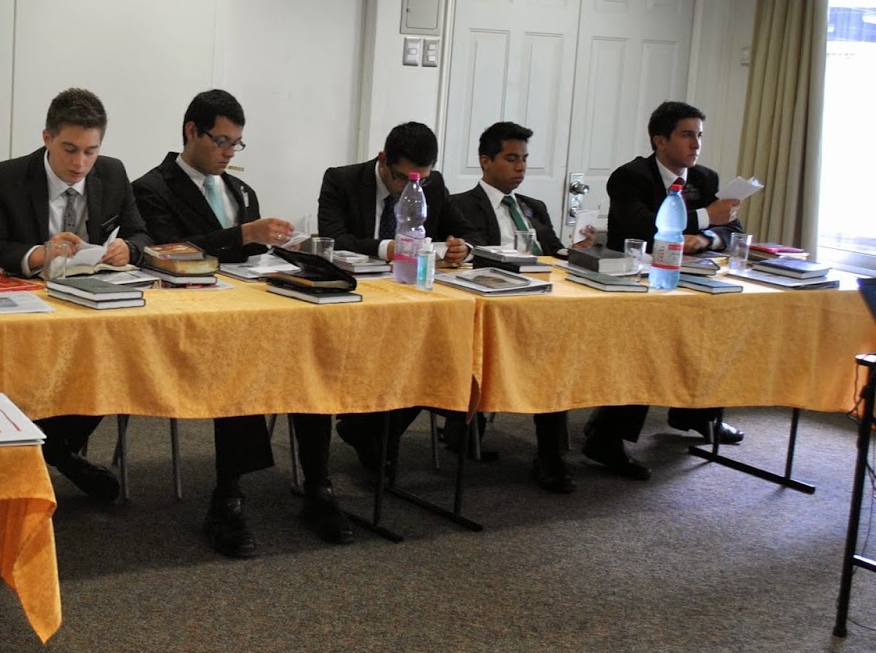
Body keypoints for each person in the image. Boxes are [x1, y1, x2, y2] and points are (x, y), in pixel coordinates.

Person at [132, 90, 350, 554]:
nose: (230, 152)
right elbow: (167, 252)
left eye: (236, 144)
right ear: (192, 132)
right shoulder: (152, 187)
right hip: (196, 321)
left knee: (310, 356)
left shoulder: (240, 190)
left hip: (253, 314)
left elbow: (252, 257)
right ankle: (227, 497)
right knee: (240, 359)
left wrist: (285, 247)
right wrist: (244, 233)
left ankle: (319, 485)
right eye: (222, 141)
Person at [0, 88, 152, 500]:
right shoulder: (6, 176)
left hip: (93, 301)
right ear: (47, 138)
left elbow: (141, 232)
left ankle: (47, 446)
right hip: (28, 304)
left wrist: (130, 249)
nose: (80, 163)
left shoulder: (113, 173)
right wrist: (39, 254)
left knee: (121, 353)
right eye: (70, 149)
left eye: (90, 151)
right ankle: (57, 451)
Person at [584, 101, 746, 476]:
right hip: (633, 281)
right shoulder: (630, 177)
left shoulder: (704, 178)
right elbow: (642, 226)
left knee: (714, 328)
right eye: (687, 135)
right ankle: (606, 436)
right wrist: (705, 218)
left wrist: (705, 240)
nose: (696, 144)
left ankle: (696, 413)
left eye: (699, 135)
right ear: (660, 140)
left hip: (690, 275)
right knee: (649, 342)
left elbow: (732, 230)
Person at [317, 122, 475, 473]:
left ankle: (368, 429)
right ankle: (373, 432)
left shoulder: (432, 186)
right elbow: (333, 239)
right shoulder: (342, 180)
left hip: (412, 302)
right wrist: (388, 248)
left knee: (440, 353)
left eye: (421, 179)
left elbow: (466, 232)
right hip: (358, 304)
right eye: (402, 178)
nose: (410, 187)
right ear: (383, 159)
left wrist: (462, 248)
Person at [446, 121, 575, 493]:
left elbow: (553, 251)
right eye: (511, 158)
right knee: (548, 353)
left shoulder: (534, 207)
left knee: (558, 354)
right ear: (486, 161)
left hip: (543, 309)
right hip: (493, 312)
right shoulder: (460, 205)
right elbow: (473, 254)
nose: (520, 167)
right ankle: (462, 428)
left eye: (525, 159)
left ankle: (551, 455)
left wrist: (575, 250)